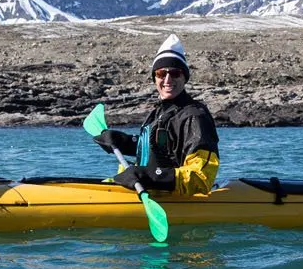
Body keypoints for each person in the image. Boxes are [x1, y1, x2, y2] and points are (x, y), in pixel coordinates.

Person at [93, 34, 220, 196]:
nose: (167, 80)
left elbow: (201, 177)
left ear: (184, 77)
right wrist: (126, 142)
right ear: (154, 78)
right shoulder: (158, 113)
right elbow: (164, 148)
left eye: (175, 73)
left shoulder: (195, 116)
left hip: (172, 196)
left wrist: (149, 176)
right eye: (161, 73)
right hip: (144, 189)